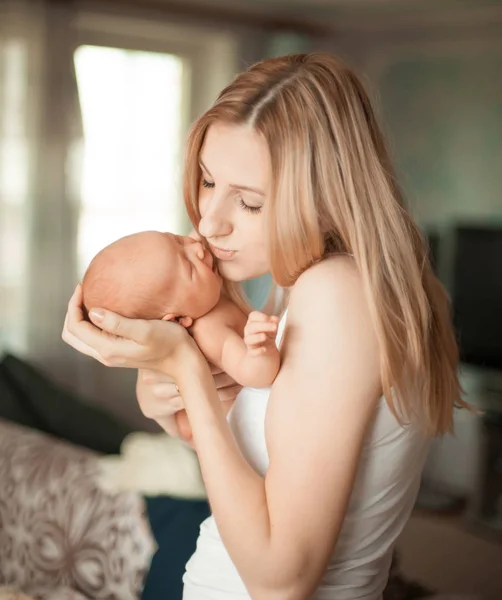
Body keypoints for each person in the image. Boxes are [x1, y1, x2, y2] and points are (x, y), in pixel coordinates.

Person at [62, 52, 466, 599]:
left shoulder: (334, 295)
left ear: (326, 199)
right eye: (207, 180)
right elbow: (259, 481)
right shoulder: (305, 286)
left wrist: (186, 368)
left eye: (249, 202)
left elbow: (281, 580)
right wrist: (175, 403)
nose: (209, 221)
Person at [81, 230, 281, 389]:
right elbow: (256, 376)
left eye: (177, 240)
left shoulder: (206, 296)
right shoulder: (210, 330)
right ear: (178, 320)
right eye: (190, 268)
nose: (197, 248)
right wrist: (260, 350)